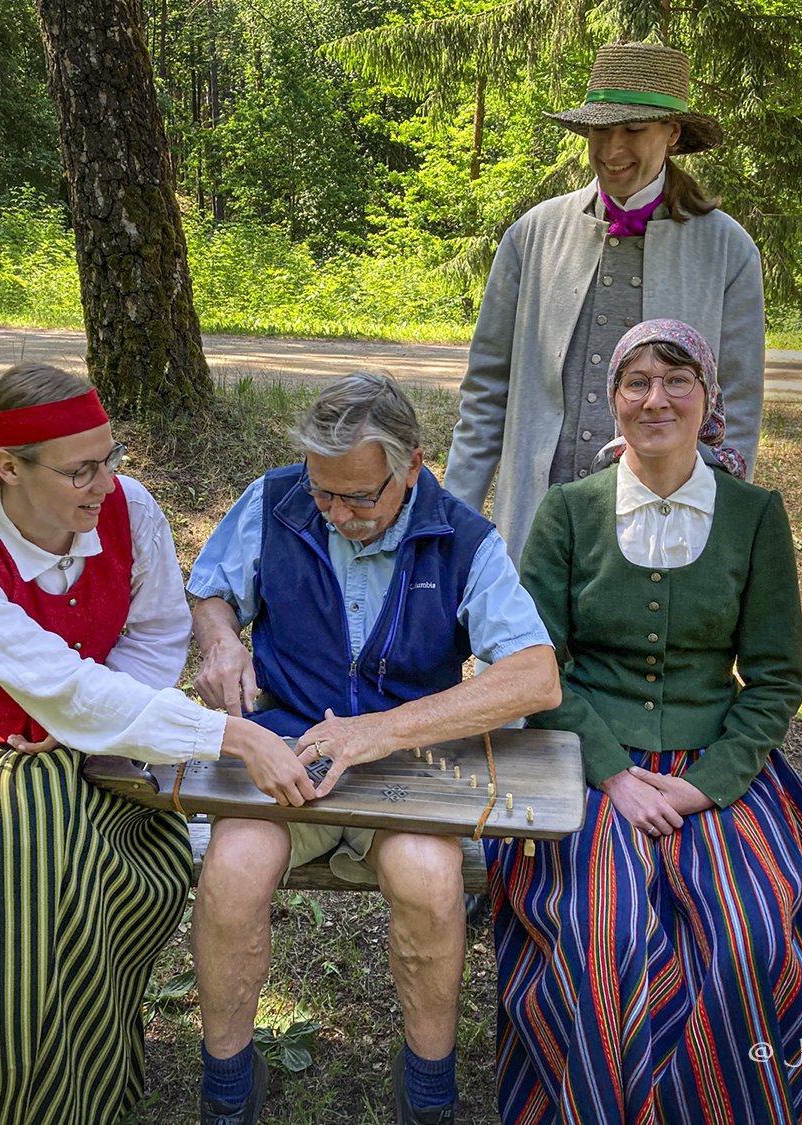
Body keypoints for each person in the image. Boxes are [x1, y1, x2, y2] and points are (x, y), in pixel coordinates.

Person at [0, 362, 314, 1125]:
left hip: (104, 753)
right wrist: (228, 732)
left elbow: (155, 641)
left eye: (108, 457)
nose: (104, 482)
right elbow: (57, 687)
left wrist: (99, 733)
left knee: (83, 863)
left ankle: (76, 1087)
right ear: (8, 467)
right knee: (24, 837)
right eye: (80, 468)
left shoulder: (130, 507)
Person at [491, 320, 802, 1123]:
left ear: (708, 398)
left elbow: (778, 676)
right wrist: (612, 772)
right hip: (584, 760)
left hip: (716, 764)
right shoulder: (569, 511)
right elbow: (536, 664)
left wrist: (704, 787)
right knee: (600, 929)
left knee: (749, 924)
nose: (657, 398)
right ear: (612, 401)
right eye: (636, 382)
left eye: (677, 379)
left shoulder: (754, 514)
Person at [186, 371, 560, 1125]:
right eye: (325, 493)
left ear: (413, 465)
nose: (337, 513)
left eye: (360, 496)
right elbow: (211, 589)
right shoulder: (275, 499)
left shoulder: (465, 538)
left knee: (427, 878)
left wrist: (377, 731)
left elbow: (535, 677)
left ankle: (427, 1086)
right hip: (288, 750)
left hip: (409, 768)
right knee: (231, 871)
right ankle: (227, 1079)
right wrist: (222, 639)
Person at [445, 40, 765, 563]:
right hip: (537, 517)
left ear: (672, 133)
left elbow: (738, 406)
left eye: (633, 130)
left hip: (660, 523)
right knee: (524, 646)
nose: (612, 149)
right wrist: (453, 513)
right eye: (600, 130)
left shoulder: (726, 249)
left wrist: (721, 516)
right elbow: (485, 391)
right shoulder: (533, 235)